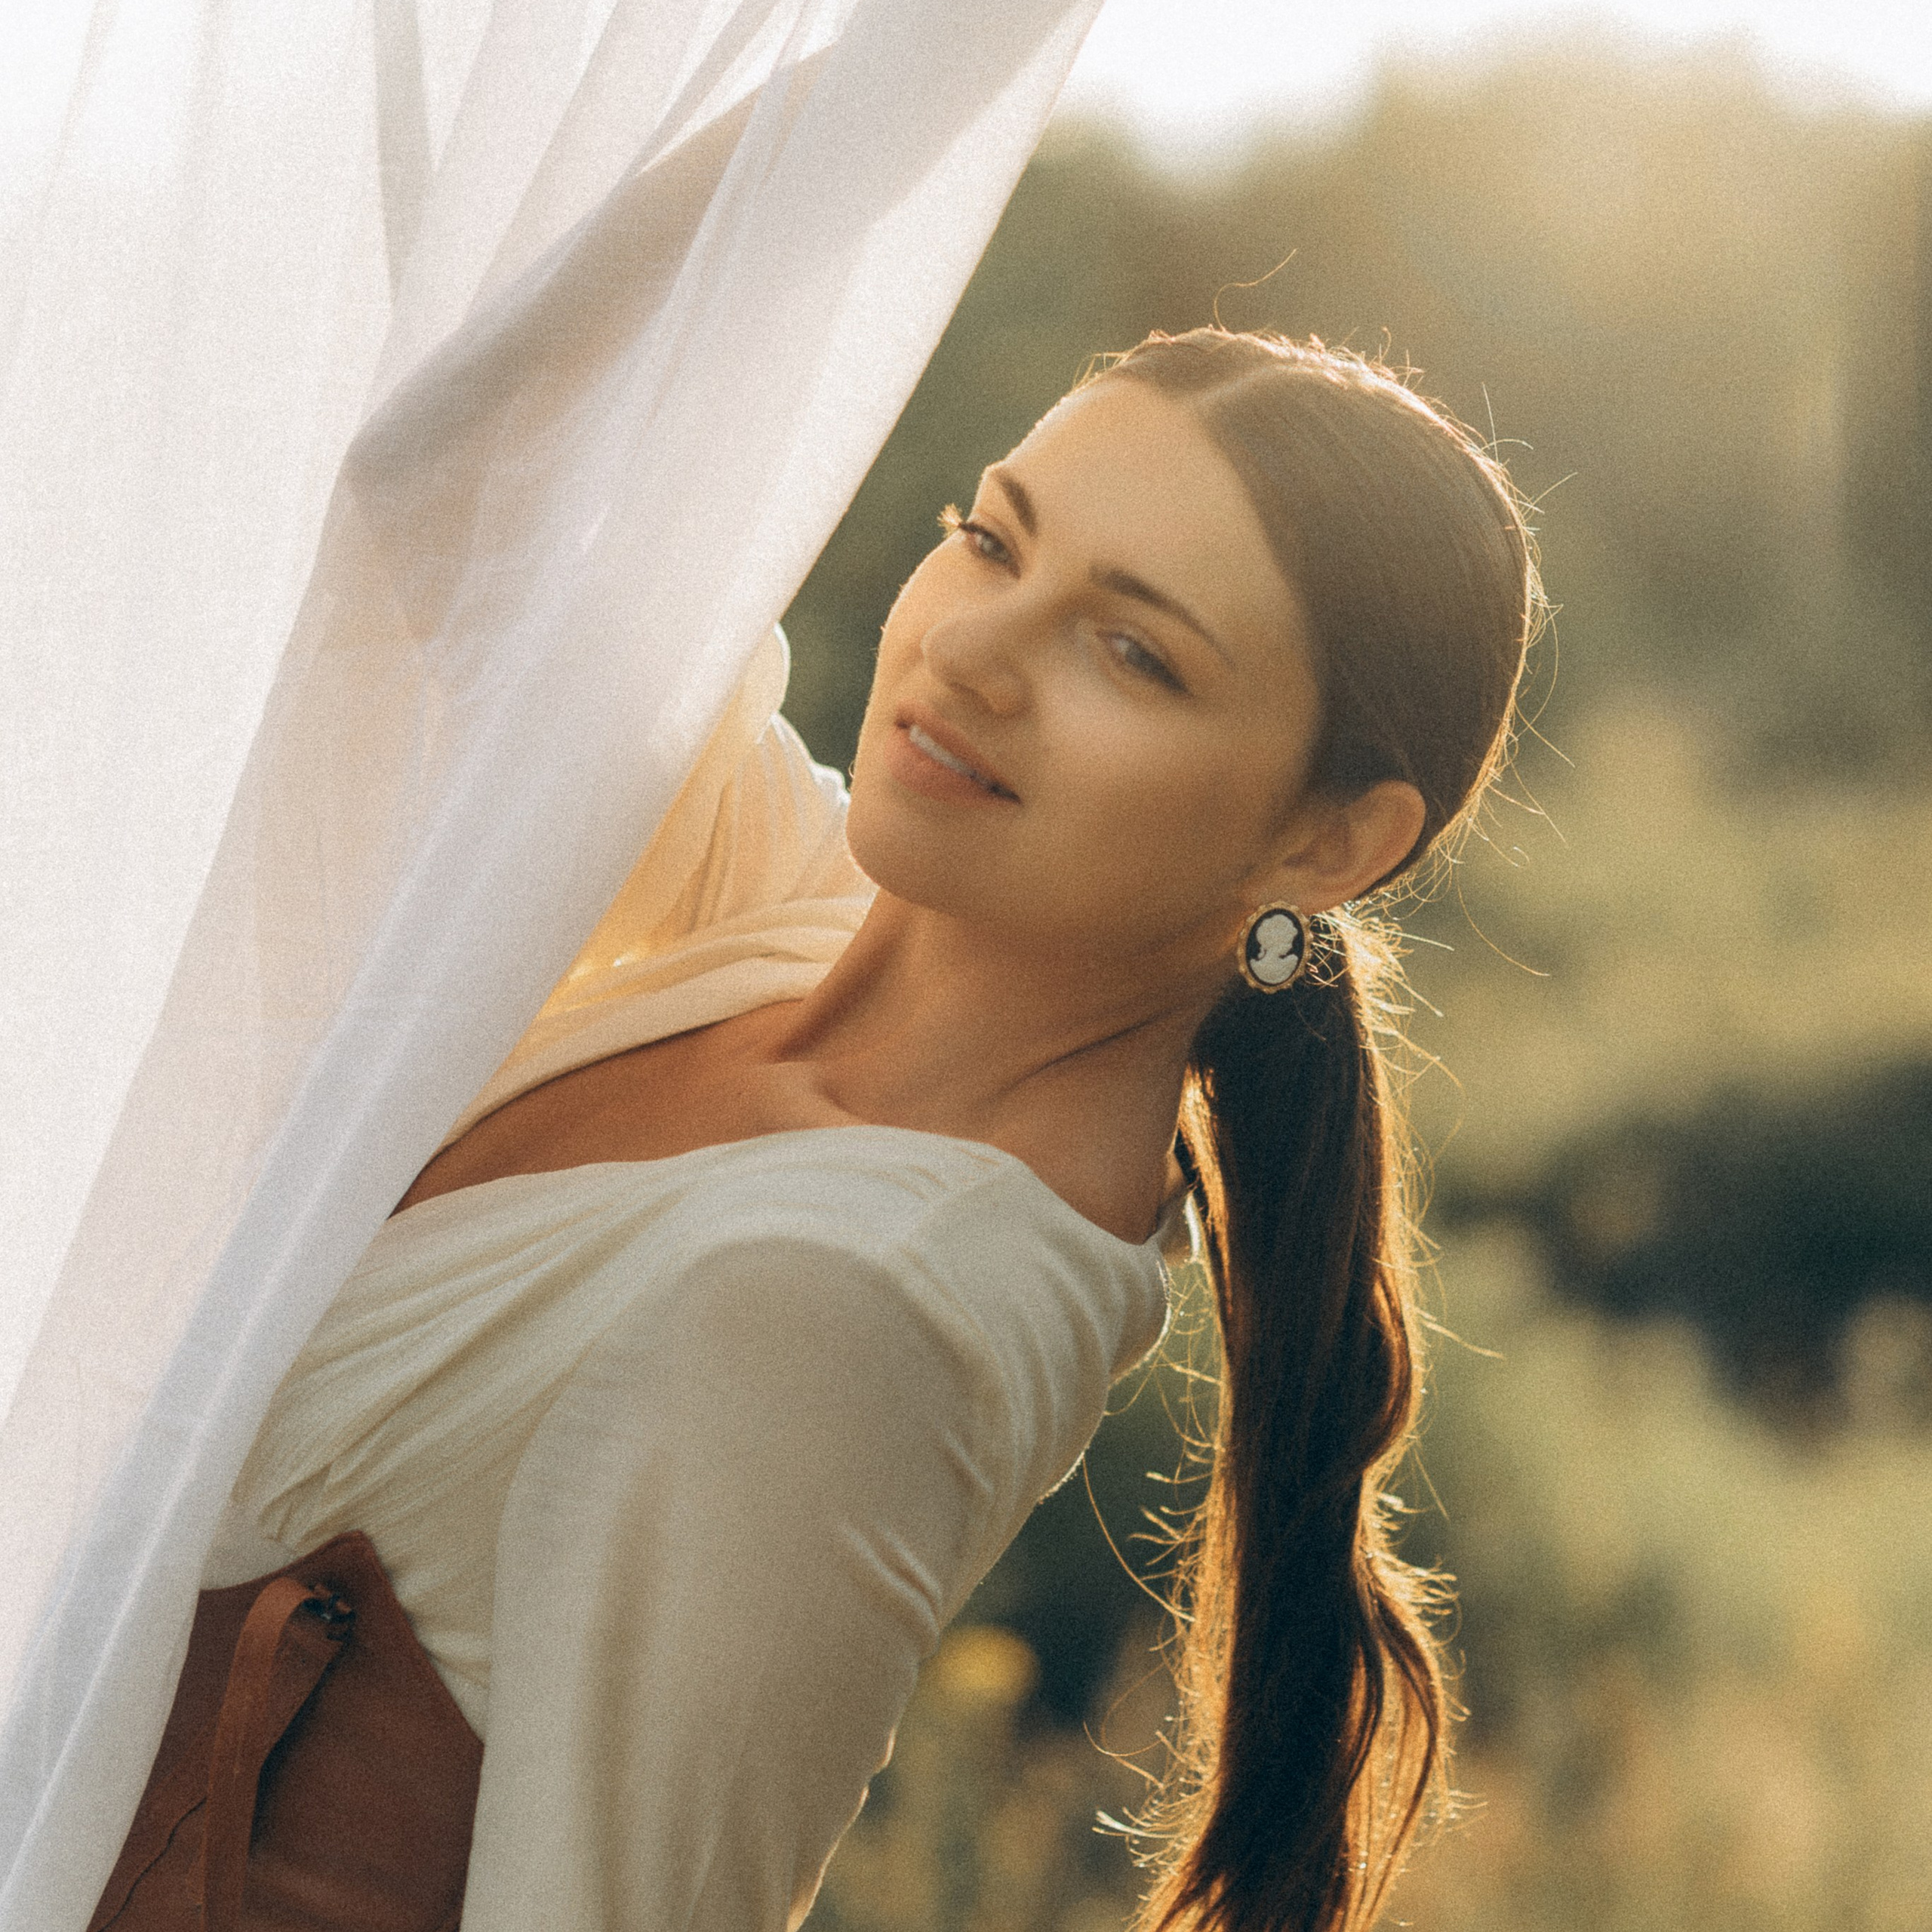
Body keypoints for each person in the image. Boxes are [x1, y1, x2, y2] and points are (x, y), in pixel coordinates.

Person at [186, 326, 1539, 1932]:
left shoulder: (846, 1303)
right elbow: (447, 475)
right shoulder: (783, 914)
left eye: (1134, 652)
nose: (972, 653)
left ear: (1328, 838)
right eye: (989, 539)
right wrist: (863, 91)